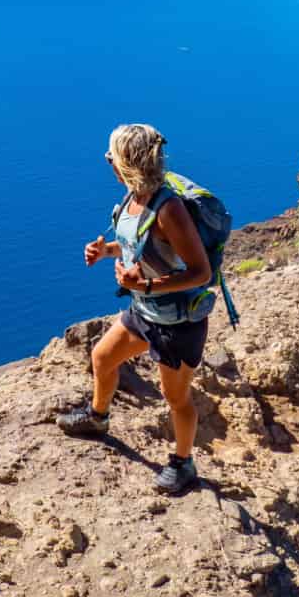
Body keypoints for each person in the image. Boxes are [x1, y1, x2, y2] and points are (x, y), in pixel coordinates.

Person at [56, 123, 214, 494]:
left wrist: (143, 284)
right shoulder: (133, 197)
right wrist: (106, 251)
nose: (107, 161)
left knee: (176, 398)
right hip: (144, 312)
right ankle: (98, 418)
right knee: (101, 357)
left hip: (178, 322)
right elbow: (138, 246)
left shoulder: (169, 209)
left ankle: (183, 463)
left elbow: (200, 272)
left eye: (110, 156)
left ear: (124, 162)